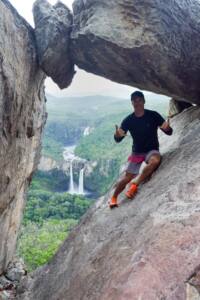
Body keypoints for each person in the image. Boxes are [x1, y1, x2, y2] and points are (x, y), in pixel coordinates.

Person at [109, 91, 173, 208]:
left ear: (144, 101)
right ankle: (113, 197)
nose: (137, 103)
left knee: (155, 161)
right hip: (137, 152)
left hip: (151, 150)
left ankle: (135, 184)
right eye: (134, 101)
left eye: (139, 100)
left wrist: (168, 129)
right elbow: (118, 139)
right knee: (127, 177)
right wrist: (117, 135)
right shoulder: (129, 120)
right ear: (132, 103)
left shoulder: (153, 115)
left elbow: (169, 132)